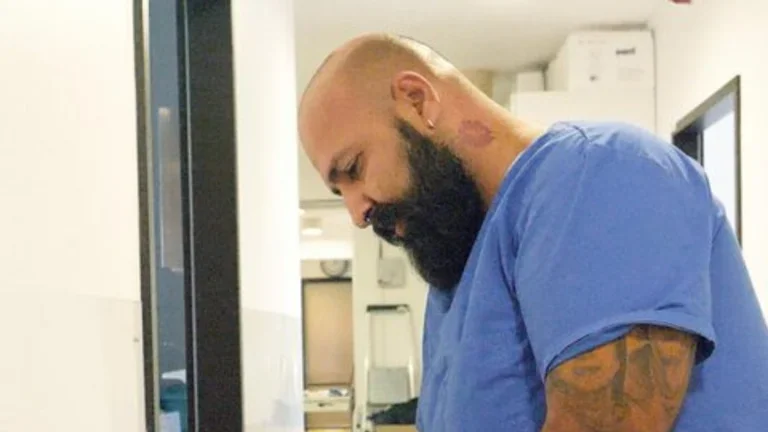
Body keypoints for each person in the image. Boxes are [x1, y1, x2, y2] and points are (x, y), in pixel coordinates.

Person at [298, 33, 768, 431]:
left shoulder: (597, 174)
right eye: (339, 192)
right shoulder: (458, 276)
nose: (357, 213)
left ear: (417, 100)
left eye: (353, 169)